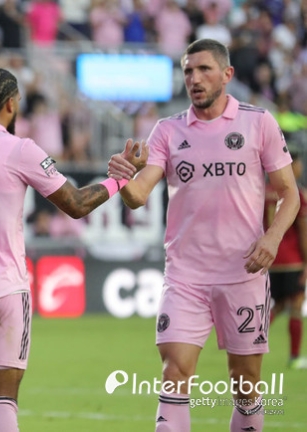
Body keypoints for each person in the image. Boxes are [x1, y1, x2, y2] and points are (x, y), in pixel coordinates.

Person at [108, 38, 300, 432]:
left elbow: (289, 193)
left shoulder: (258, 122)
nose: (194, 79)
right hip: (185, 275)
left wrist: (272, 238)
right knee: (174, 372)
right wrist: (122, 179)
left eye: (204, 69)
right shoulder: (168, 130)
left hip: (243, 272)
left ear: (227, 74)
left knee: (245, 383)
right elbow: (139, 196)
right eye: (188, 71)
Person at [0, 67, 148, 432]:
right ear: (11, 104)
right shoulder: (20, 149)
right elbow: (76, 204)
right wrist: (119, 180)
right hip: (3, 287)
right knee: (3, 399)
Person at [265, 149, 307, 369]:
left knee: (280, 304)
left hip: (269, 258)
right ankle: (294, 357)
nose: (301, 168)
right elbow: (303, 231)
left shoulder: (262, 193)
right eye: (299, 164)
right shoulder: (296, 194)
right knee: (296, 306)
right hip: (292, 260)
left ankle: (250, 340)